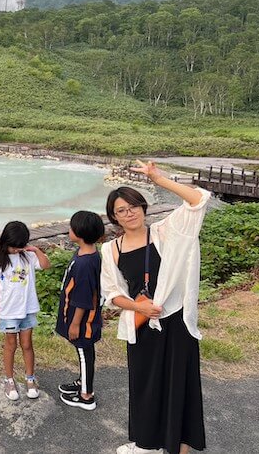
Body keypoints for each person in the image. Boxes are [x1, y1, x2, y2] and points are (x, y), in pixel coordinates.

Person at [101, 160, 209, 454]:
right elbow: (112, 294)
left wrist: (159, 178)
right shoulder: (111, 249)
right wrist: (140, 309)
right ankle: (147, 444)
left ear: (143, 207)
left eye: (133, 206)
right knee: (145, 387)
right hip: (143, 325)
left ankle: (179, 446)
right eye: (121, 210)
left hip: (175, 322)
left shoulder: (164, 232)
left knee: (180, 383)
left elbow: (197, 201)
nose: (129, 213)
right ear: (114, 217)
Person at [0, 221, 50, 400]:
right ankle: (9, 380)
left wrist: (36, 250)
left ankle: (30, 378)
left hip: (27, 309)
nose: (16, 250)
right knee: (10, 345)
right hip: (8, 311)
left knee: (27, 344)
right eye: (13, 247)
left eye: (20, 246)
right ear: (5, 241)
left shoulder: (27, 256)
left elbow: (45, 265)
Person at [55, 211, 105, 411]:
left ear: (79, 233)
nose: (69, 230)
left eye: (71, 227)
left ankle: (86, 396)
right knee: (85, 353)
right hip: (82, 318)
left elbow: (83, 299)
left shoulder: (85, 263)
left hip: (83, 321)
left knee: (85, 352)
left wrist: (75, 324)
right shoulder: (88, 253)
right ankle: (83, 381)